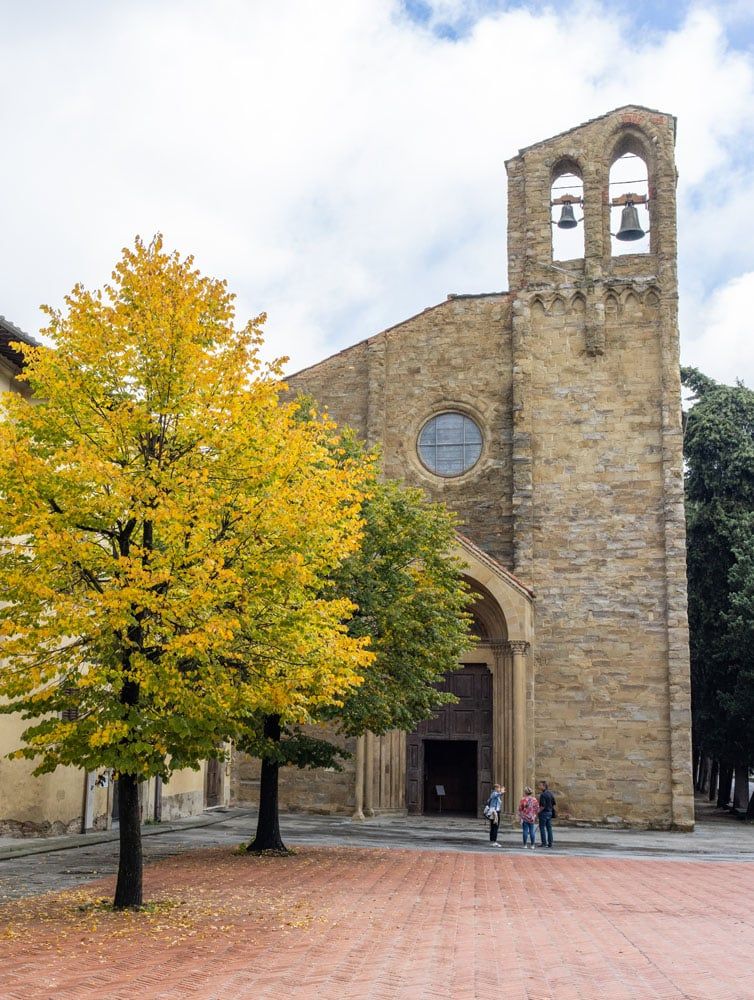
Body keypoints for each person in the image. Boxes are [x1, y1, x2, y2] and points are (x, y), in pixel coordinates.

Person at [485, 783, 506, 847]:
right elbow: (499, 794)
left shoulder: (495, 794)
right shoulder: (494, 794)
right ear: (496, 788)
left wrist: (501, 792)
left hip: (494, 811)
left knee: (493, 826)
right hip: (495, 812)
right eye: (499, 788)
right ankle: (494, 841)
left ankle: (492, 841)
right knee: (495, 826)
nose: (499, 789)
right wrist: (502, 792)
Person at [538, 780, 556, 848]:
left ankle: (544, 842)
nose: (539, 786)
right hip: (550, 812)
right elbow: (553, 803)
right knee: (549, 828)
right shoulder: (550, 793)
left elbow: (542, 806)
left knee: (542, 827)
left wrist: (538, 812)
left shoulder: (543, 795)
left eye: (540, 785)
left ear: (544, 786)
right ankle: (550, 842)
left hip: (544, 813)